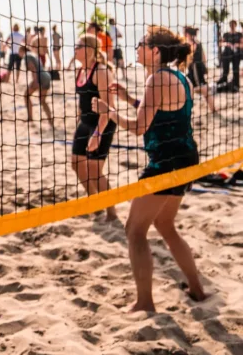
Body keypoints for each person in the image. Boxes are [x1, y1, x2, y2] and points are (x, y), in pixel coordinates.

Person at [91, 26, 205, 312]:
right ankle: (197, 290)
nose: (136, 48)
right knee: (165, 225)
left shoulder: (156, 79)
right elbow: (161, 110)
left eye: (141, 44)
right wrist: (130, 100)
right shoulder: (179, 77)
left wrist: (110, 112)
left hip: (165, 163)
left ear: (155, 51)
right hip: (186, 158)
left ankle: (145, 303)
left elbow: (140, 126)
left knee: (134, 230)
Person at [69, 34, 121, 221]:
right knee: (76, 163)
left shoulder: (101, 72)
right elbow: (82, 100)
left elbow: (109, 107)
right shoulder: (80, 71)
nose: (75, 48)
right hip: (85, 122)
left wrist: (98, 133)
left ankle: (111, 213)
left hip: (103, 122)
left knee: (94, 170)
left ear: (90, 49)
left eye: (79, 45)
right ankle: (95, 203)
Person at [183, 27, 216, 113]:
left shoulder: (191, 43)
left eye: (184, 32)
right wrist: (205, 67)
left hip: (195, 69)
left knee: (202, 88)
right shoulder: (197, 42)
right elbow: (204, 56)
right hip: (195, 68)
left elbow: (189, 57)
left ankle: (213, 108)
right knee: (189, 88)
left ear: (187, 34)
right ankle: (212, 108)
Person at [22, 44, 54, 128]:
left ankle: (30, 118)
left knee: (26, 95)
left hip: (40, 77)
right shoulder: (34, 54)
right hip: (46, 76)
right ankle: (50, 121)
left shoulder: (26, 55)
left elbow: (33, 68)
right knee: (42, 101)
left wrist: (35, 81)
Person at [217, 19, 241, 92]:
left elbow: (242, 44)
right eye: (231, 24)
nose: (232, 26)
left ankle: (236, 86)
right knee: (225, 70)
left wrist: (237, 45)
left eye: (233, 24)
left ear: (235, 25)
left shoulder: (239, 34)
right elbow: (220, 43)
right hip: (227, 54)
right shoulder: (226, 34)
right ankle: (223, 85)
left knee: (235, 70)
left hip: (236, 54)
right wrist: (227, 44)